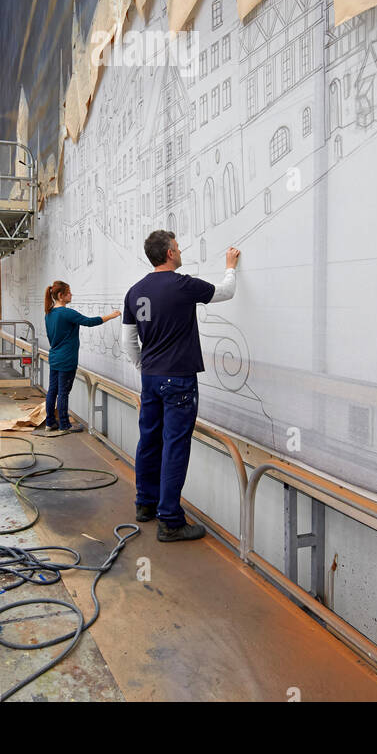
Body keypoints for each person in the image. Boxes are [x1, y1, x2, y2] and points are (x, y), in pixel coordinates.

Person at [122, 231, 240, 541]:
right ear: (170, 254)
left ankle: (144, 504)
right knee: (175, 444)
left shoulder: (135, 291)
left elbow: (127, 341)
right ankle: (170, 521)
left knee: (149, 440)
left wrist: (144, 367)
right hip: (179, 379)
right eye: (177, 247)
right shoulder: (183, 285)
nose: (180, 250)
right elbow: (226, 292)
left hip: (150, 378)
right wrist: (230, 265)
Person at [40, 281, 120, 435]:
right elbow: (89, 322)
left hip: (55, 357)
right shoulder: (67, 313)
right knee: (63, 392)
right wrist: (112, 315)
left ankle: (50, 422)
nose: (71, 295)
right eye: (69, 292)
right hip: (67, 359)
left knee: (52, 390)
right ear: (61, 296)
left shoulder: (49, 314)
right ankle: (64, 424)